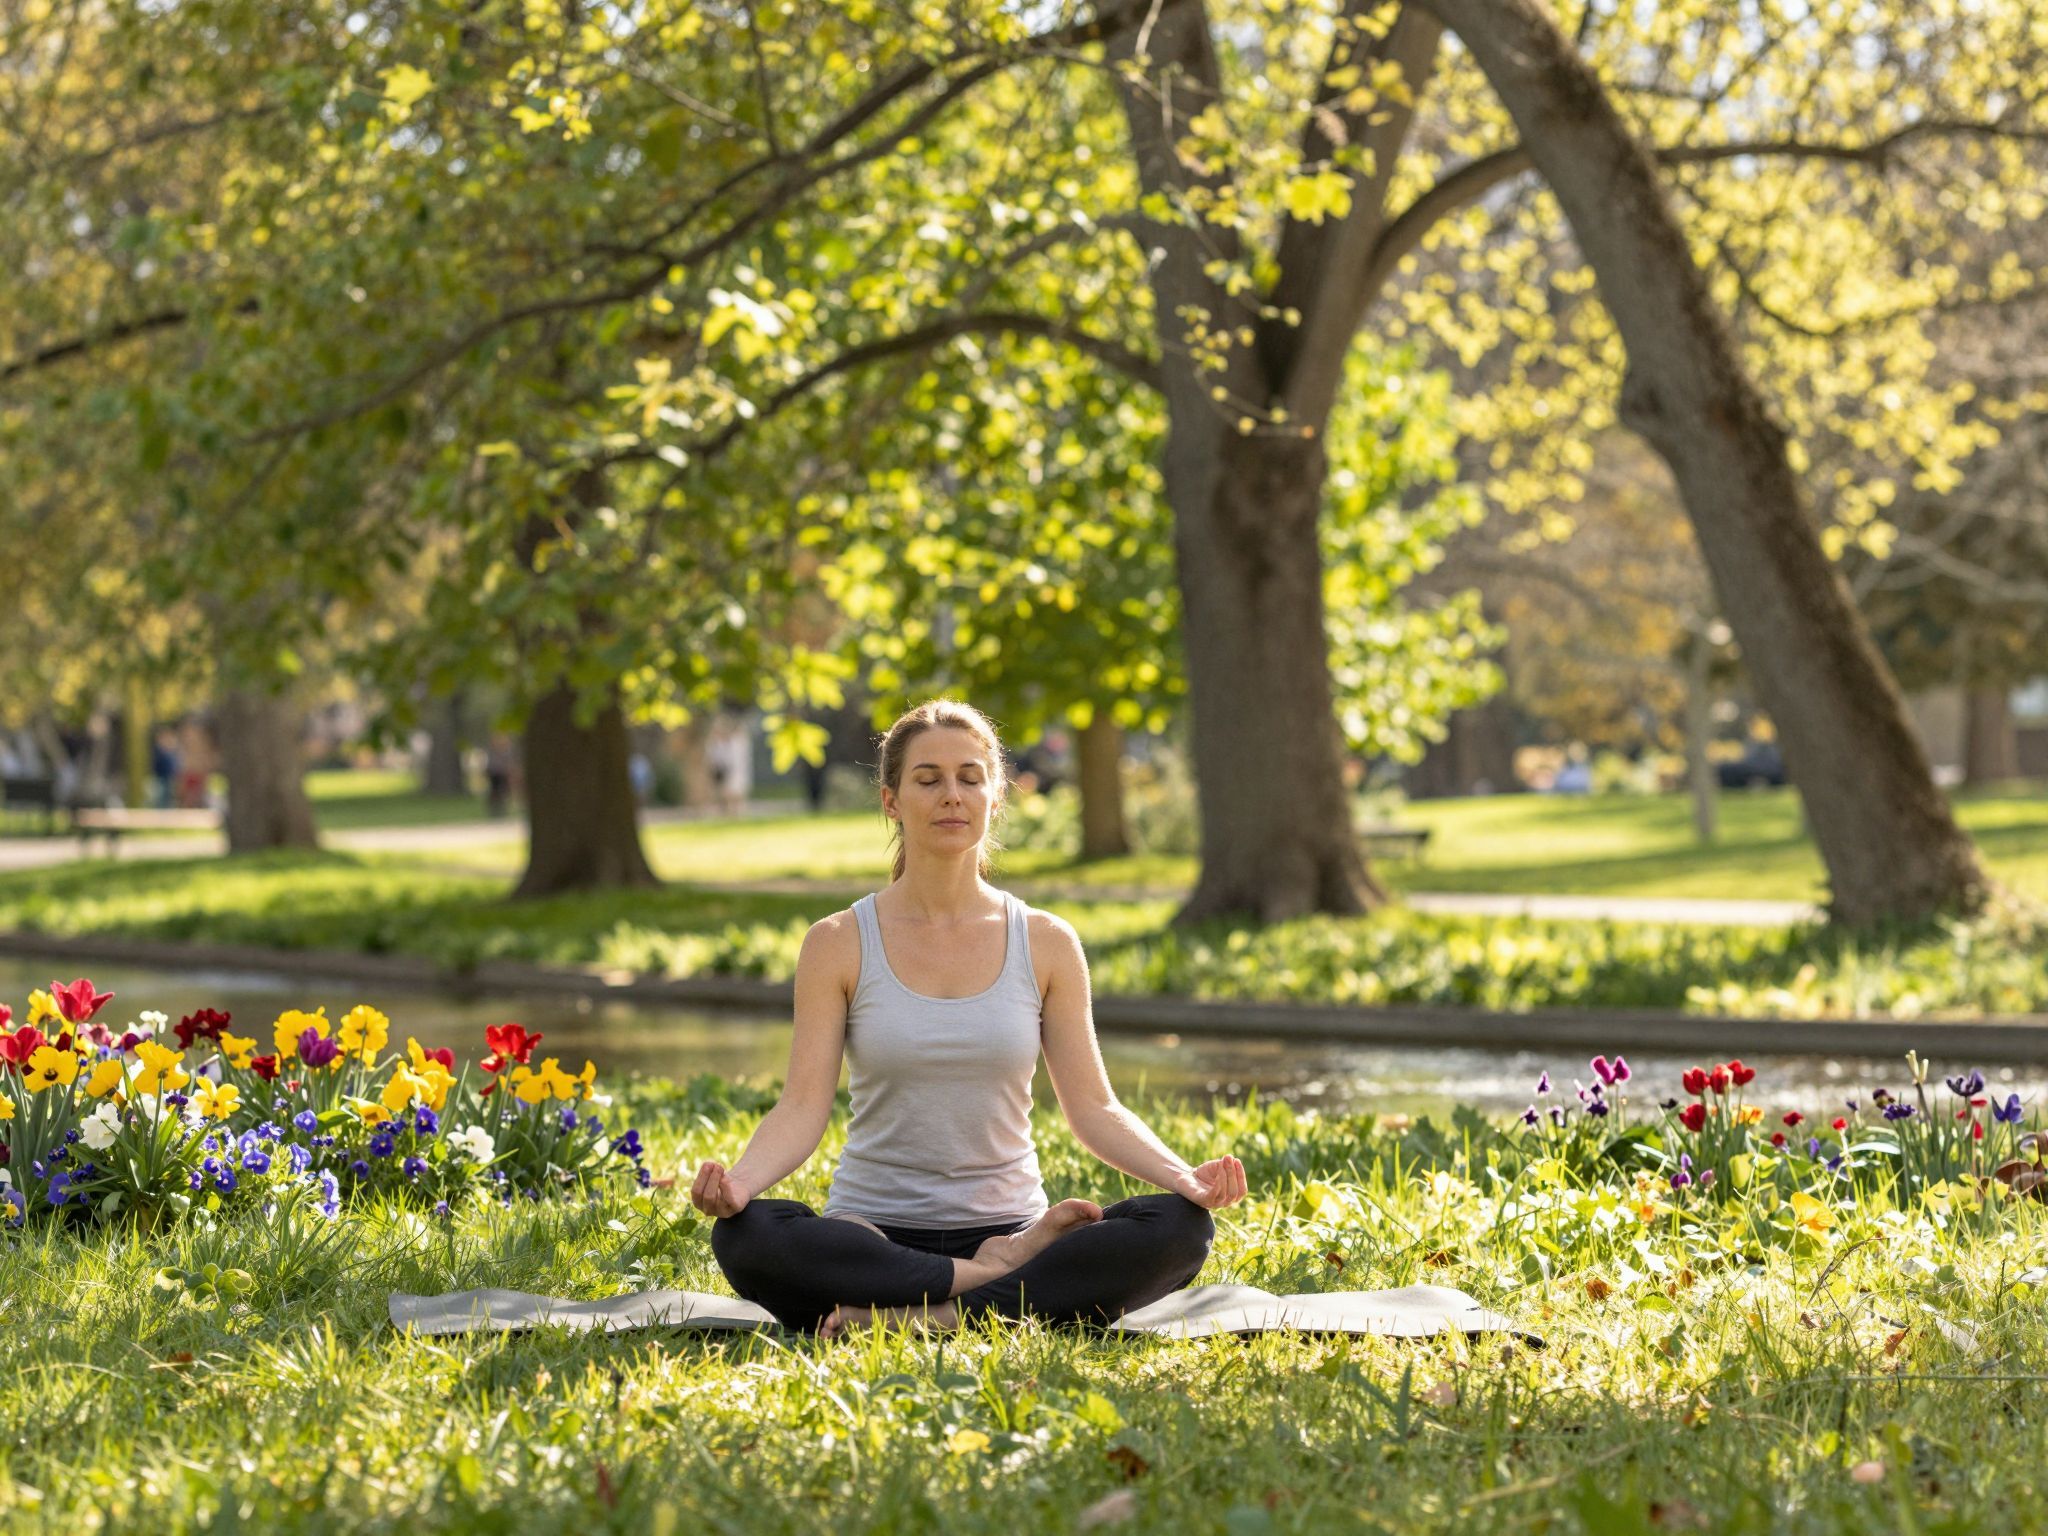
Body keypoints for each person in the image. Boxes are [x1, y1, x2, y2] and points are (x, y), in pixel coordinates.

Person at [692, 699, 1244, 1337]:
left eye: (970, 777)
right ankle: (987, 1288)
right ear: (891, 800)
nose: (951, 795)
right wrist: (739, 1184)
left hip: (1011, 1225)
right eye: (927, 780)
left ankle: (919, 1314)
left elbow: (1095, 1108)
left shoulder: (1046, 942)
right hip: (873, 1234)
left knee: (1180, 1230)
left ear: (996, 793)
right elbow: (801, 1108)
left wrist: (1185, 1179)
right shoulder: (838, 941)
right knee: (748, 1237)